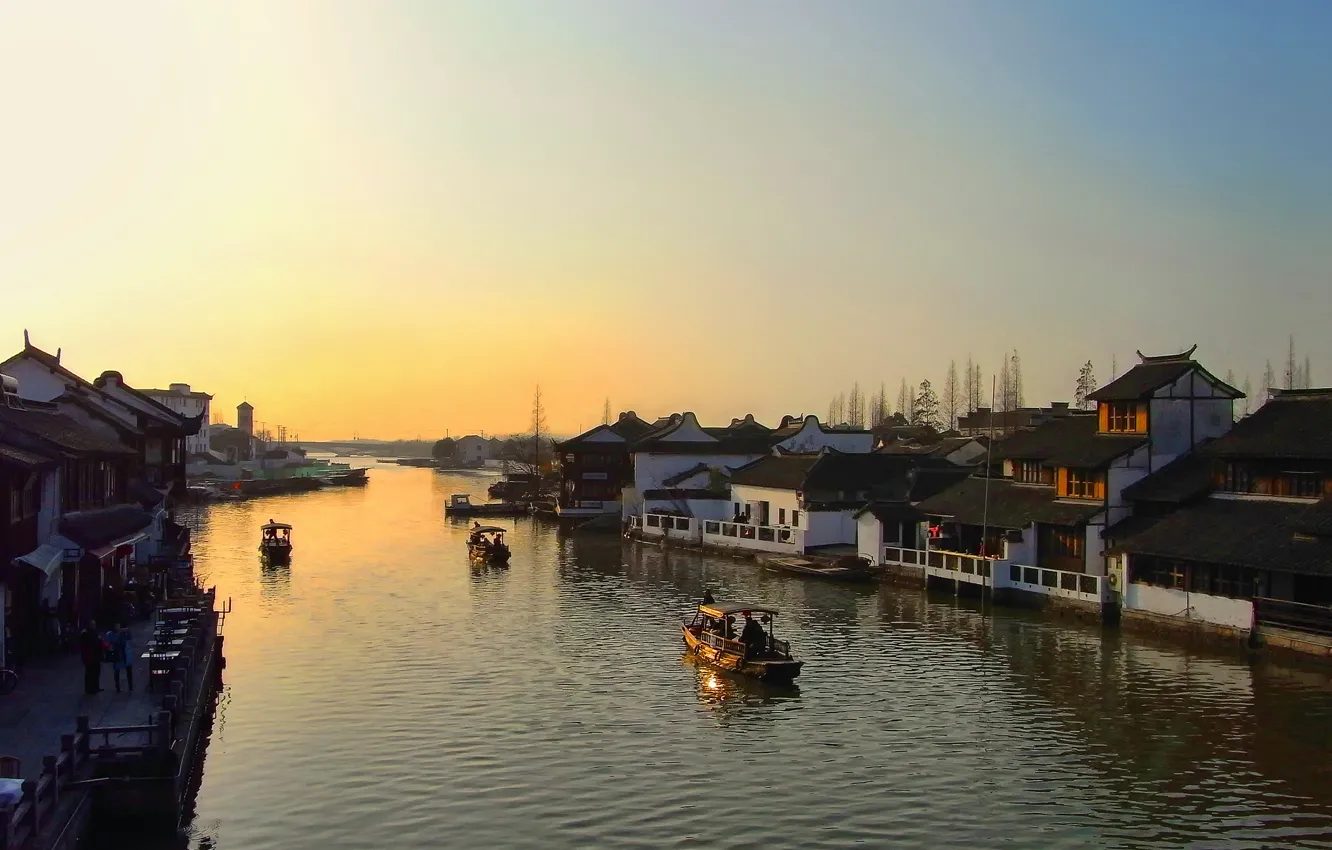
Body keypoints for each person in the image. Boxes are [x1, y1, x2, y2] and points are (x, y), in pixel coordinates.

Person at [78, 620, 106, 695]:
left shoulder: (93, 632)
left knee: (96, 671)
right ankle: (89, 688)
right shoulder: (86, 634)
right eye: (92, 624)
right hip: (90, 656)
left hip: (95, 655)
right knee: (90, 672)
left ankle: (95, 687)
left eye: (94, 624)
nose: (94, 626)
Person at [104, 622, 134, 693]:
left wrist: (127, 631)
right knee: (117, 671)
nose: (118, 627)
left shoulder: (123, 633)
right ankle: (117, 687)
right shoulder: (110, 634)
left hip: (125, 654)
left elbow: (130, 637)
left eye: (118, 626)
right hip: (117, 654)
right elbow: (109, 641)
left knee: (129, 670)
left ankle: (130, 686)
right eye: (116, 626)